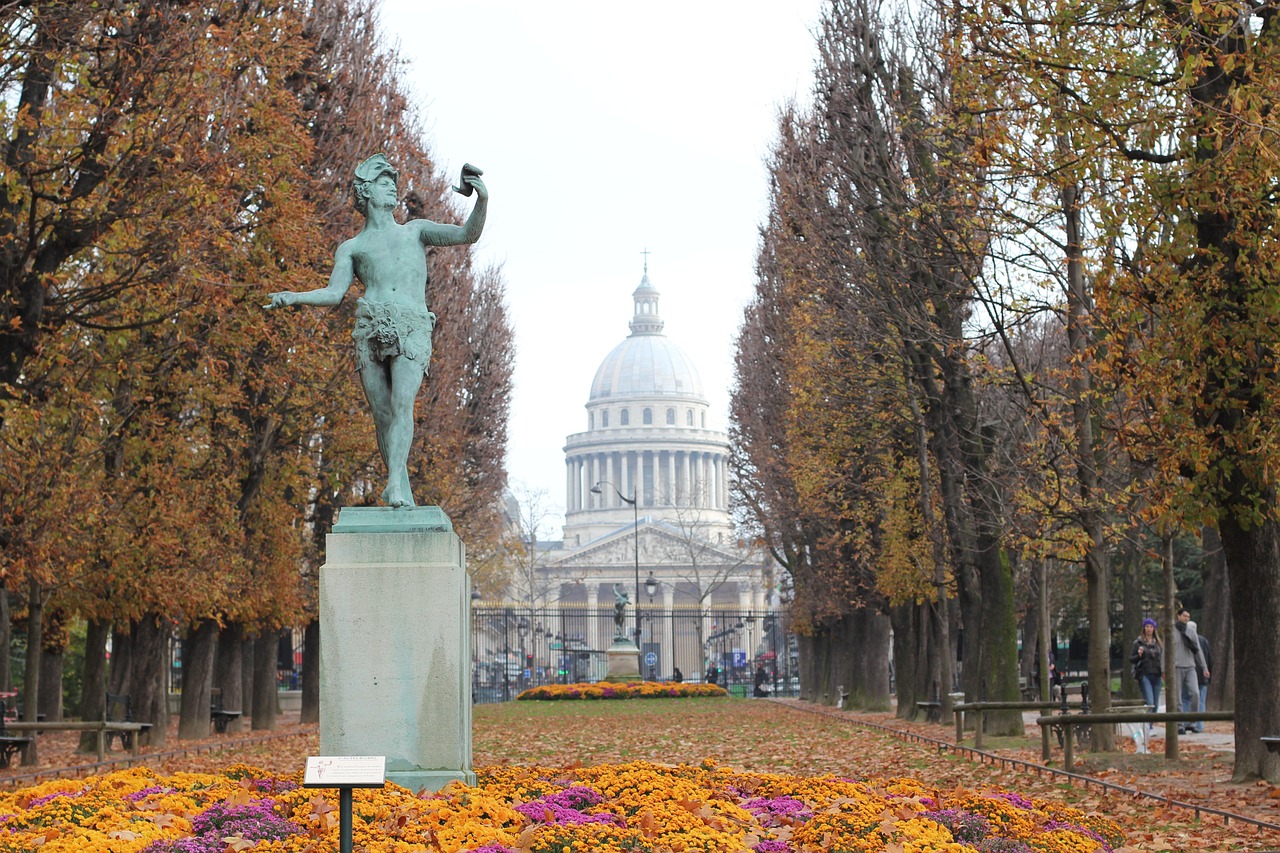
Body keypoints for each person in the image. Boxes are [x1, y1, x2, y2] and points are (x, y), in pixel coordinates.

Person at [266, 155, 488, 508]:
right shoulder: (352, 247)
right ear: (366, 192)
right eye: (386, 184)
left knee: (402, 405)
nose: (393, 189)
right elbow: (334, 294)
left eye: (393, 184)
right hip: (369, 325)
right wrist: (294, 297)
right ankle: (399, 485)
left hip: (411, 324)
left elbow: (467, 234)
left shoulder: (415, 230)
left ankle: (394, 484)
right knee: (382, 413)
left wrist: (482, 200)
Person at [1174, 608, 1210, 734]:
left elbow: (1198, 650)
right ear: (1178, 616)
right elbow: (1166, 651)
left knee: (1195, 693)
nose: (1186, 618)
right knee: (1178, 697)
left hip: (1190, 666)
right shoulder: (1172, 631)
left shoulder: (1191, 631)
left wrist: (1204, 667)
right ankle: (1179, 724)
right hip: (1176, 666)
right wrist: (1164, 669)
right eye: (1184, 616)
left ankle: (1192, 722)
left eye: (1188, 617)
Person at [1129, 618, 1163, 727]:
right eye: (1147, 626)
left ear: (1154, 629)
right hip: (1145, 674)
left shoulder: (1158, 643)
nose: (1149, 629)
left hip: (1156, 675)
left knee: (1156, 703)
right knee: (1150, 701)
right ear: (1144, 628)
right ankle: (1149, 726)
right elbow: (1131, 659)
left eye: (1151, 627)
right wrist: (1139, 655)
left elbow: (1162, 658)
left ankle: (1150, 724)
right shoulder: (1138, 642)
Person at [1195, 632, 1213, 734]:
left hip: (1192, 676)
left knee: (1188, 700)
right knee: (1201, 701)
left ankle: (1189, 723)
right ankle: (1199, 725)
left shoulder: (1188, 640)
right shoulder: (1204, 641)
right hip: (1203, 676)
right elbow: (1210, 659)